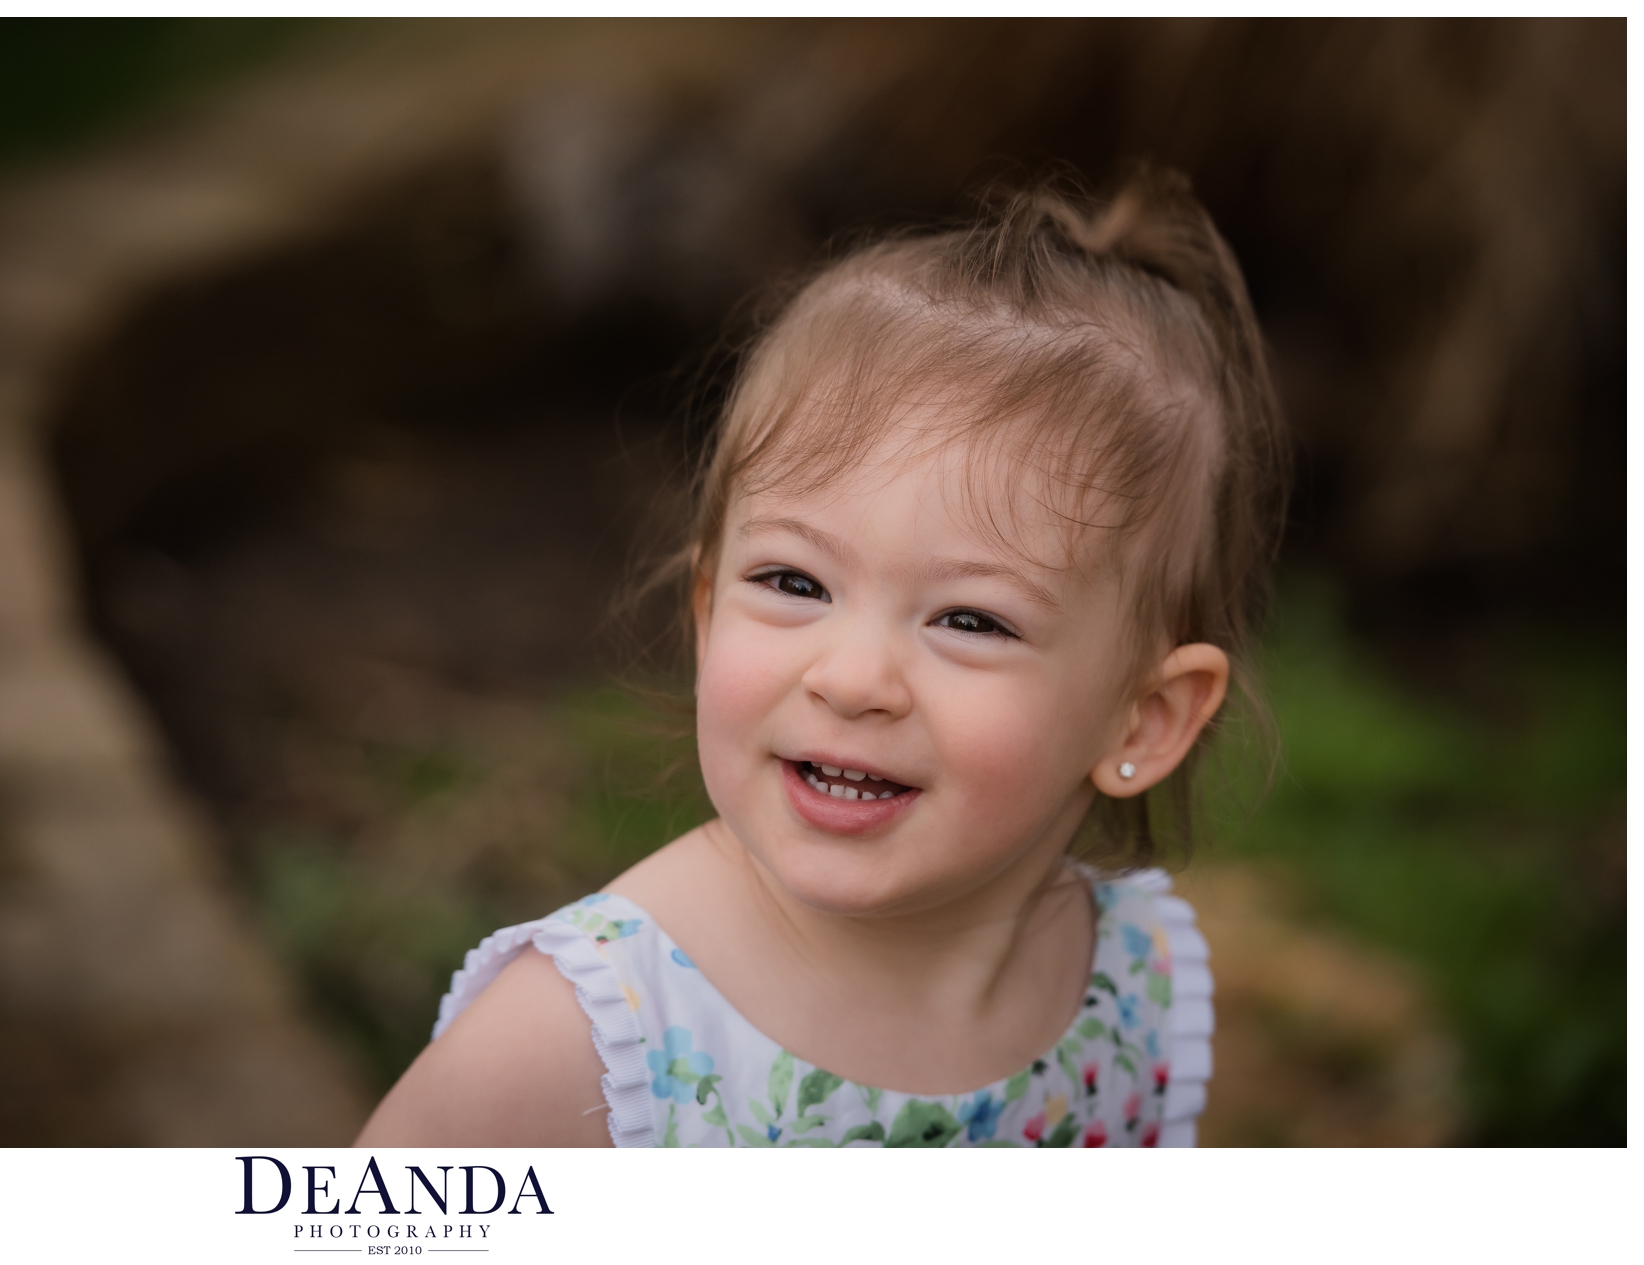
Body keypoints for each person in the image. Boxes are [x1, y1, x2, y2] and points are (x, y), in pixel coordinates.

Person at [357, 170, 1282, 1146]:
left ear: (1144, 717)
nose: (850, 678)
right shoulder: (578, 1040)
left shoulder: (1131, 985)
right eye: (795, 583)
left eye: (970, 620)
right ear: (708, 614)